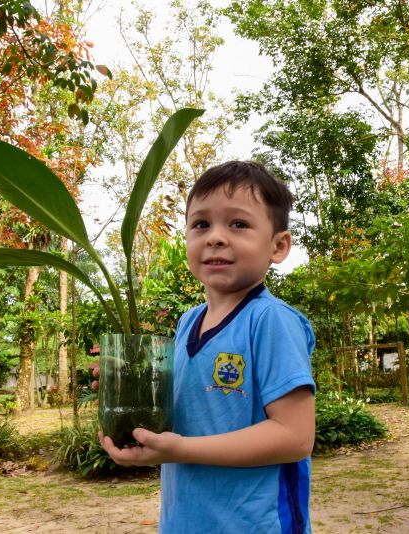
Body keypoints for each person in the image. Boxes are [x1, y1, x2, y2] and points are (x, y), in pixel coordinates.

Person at [98, 160, 316, 533]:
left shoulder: (270, 321)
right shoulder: (186, 324)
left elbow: (294, 437)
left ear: (278, 246)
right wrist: (128, 398)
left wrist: (179, 450)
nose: (215, 237)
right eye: (201, 224)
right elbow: (187, 413)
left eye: (238, 224)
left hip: (255, 525)